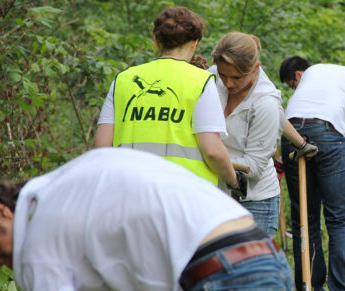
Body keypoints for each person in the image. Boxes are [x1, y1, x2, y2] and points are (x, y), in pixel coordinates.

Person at [0, 148, 294, 291]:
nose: (9, 263)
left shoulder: (35, 227)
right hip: (266, 260)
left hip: (223, 278)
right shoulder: (67, 183)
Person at [92, 6, 244, 195]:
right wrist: (234, 181)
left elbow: (101, 146)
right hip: (184, 196)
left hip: (129, 192)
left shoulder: (123, 80)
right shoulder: (201, 81)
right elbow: (212, 150)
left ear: (156, 41)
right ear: (195, 43)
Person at [279, 54, 345, 291]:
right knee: (341, 220)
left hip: (290, 130)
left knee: (305, 219)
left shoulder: (318, 70)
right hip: (326, 132)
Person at [208, 32, 316, 236]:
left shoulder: (265, 103)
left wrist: (210, 156)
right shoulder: (212, 77)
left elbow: (253, 168)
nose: (228, 83)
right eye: (224, 75)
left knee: (250, 268)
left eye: (236, 77)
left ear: (255, 69)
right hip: (214, 194)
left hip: (254, 203)